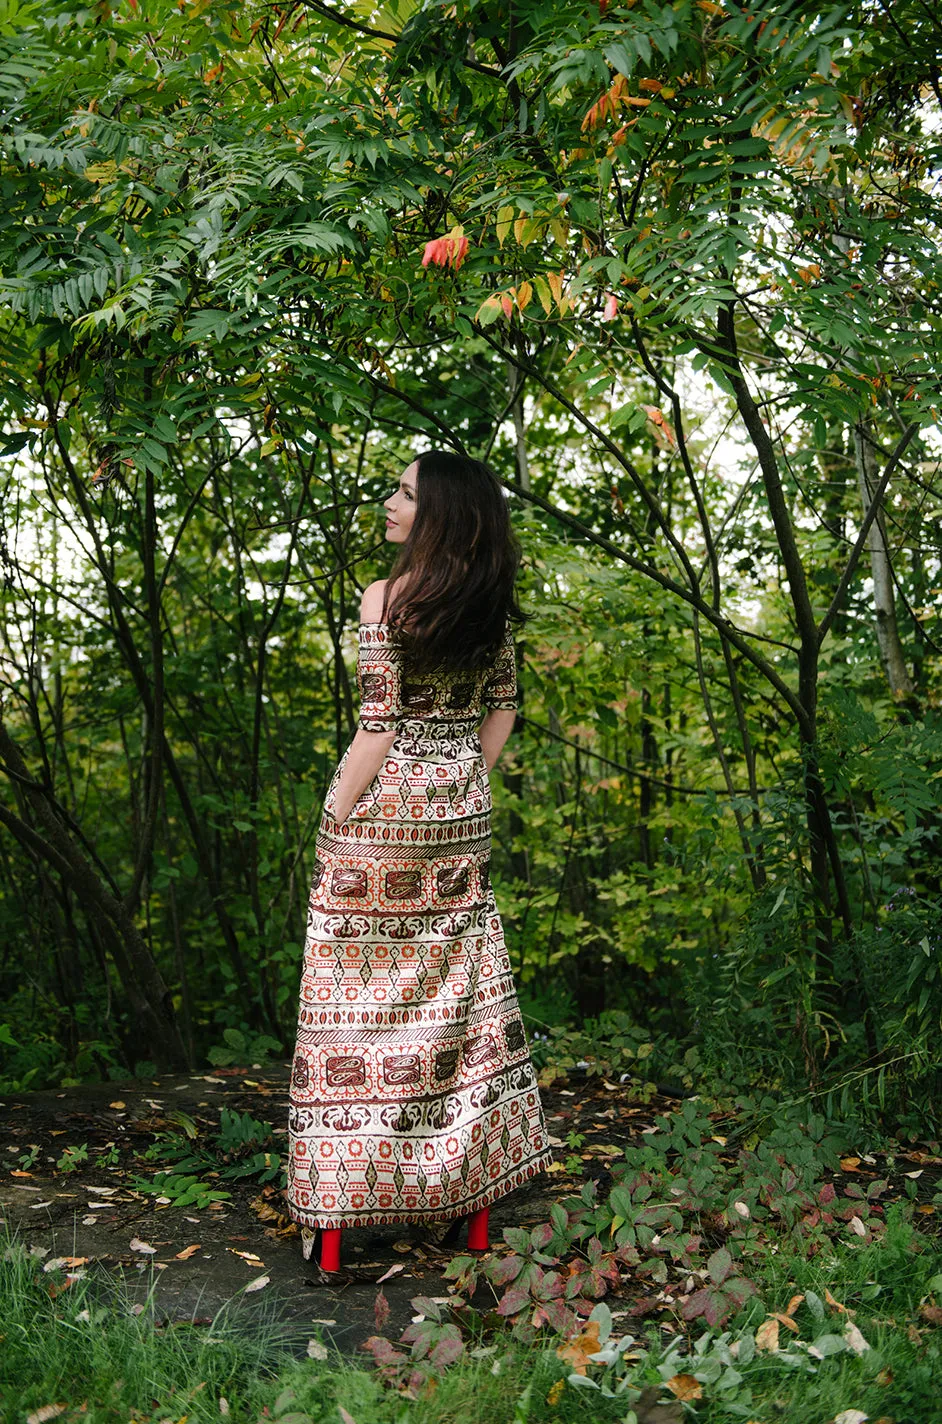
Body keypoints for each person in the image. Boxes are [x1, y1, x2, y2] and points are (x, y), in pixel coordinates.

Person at [284, 450, 553, 1272]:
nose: (390, 502)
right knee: (453, 1011)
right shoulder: (490, 610)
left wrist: (331, 821)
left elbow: (377, 731)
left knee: (352, 1011)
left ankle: (336, 1216)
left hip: (383, 823)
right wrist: (460, 778)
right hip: (460, 818)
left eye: (405, 493)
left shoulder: (383, 601)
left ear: (439, 513)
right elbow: (503, 715)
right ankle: (459, 1201)